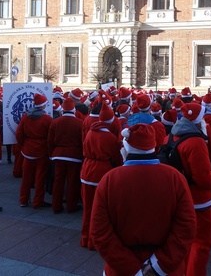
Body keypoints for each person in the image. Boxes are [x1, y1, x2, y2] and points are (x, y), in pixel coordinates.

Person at [90, 123, 196, 276]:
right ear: (154, 146)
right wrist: (158, 265)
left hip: (120, 269)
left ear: (126, 147)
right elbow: (186, 226)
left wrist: (131, 268)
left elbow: (99, 232)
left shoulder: (109, 180)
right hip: (166, 269)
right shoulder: (175, 177)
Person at [168, 102, 211, 276]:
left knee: (183, 242)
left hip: (179, 196)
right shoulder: (196, 142)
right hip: (198, 200)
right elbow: (203, 177)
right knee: (201, 244)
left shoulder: (173, 134)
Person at [80, 102, 123, 250]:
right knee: (99, 211)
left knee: (87, 208)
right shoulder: (110, 138)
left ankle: (85, 237)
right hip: (101, 174)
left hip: (86, 171)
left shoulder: (91, 132)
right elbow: (116, 158)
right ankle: (94, 241)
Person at [47, 97, 84, 214]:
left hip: (58, 155)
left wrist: (51, 154)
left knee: (58, 181)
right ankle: (71, 205)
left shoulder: (55, 122)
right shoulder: (80, 123)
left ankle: (56, 206)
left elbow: (50, 140)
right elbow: (82, 141)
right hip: (74, 156)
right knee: (72, 182)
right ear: (73, 110)